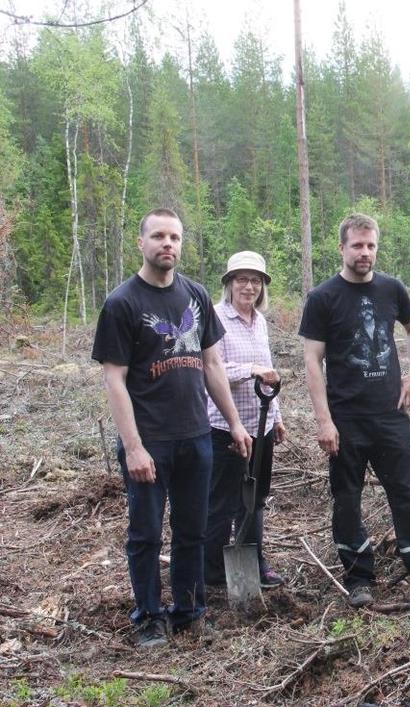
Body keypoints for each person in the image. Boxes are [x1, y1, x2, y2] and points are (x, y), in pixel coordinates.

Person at [92, 207, 252, 648]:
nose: (168, 245)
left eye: (175, 238)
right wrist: (134, 446)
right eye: (159, 236)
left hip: (196, 436)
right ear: (141, 243)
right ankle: (147, 616)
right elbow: (115, 380)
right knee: (145, 533)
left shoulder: (196, 295)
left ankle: (189, 610)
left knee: (192, 530)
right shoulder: (122, 303)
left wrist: (235, 424)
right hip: (150, 441)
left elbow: (212, 364)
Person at [300, 213, 410, 607]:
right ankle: (359, 577)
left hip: (390, 414)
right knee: (347, 497)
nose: (365, 252)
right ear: (342, 248)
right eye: (357, 245)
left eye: (371, 245)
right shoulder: (323, 298)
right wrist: (324, 420)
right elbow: (312, 361)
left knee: (407, 492)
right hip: (346, 419)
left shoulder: (392, 289)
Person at [204, 251, 287, 590]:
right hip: (225, 427)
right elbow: (211, 369)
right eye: (242, 279)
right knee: (222, 501)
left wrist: (277, 415)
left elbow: (269, 373)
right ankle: (211, 570)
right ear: (229, 283)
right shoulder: (215, 318)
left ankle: (253, 559)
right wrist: (250, 371)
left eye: (255, 281)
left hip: (261, 426)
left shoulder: (260, 322)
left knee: (255, 500)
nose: (248, 287)